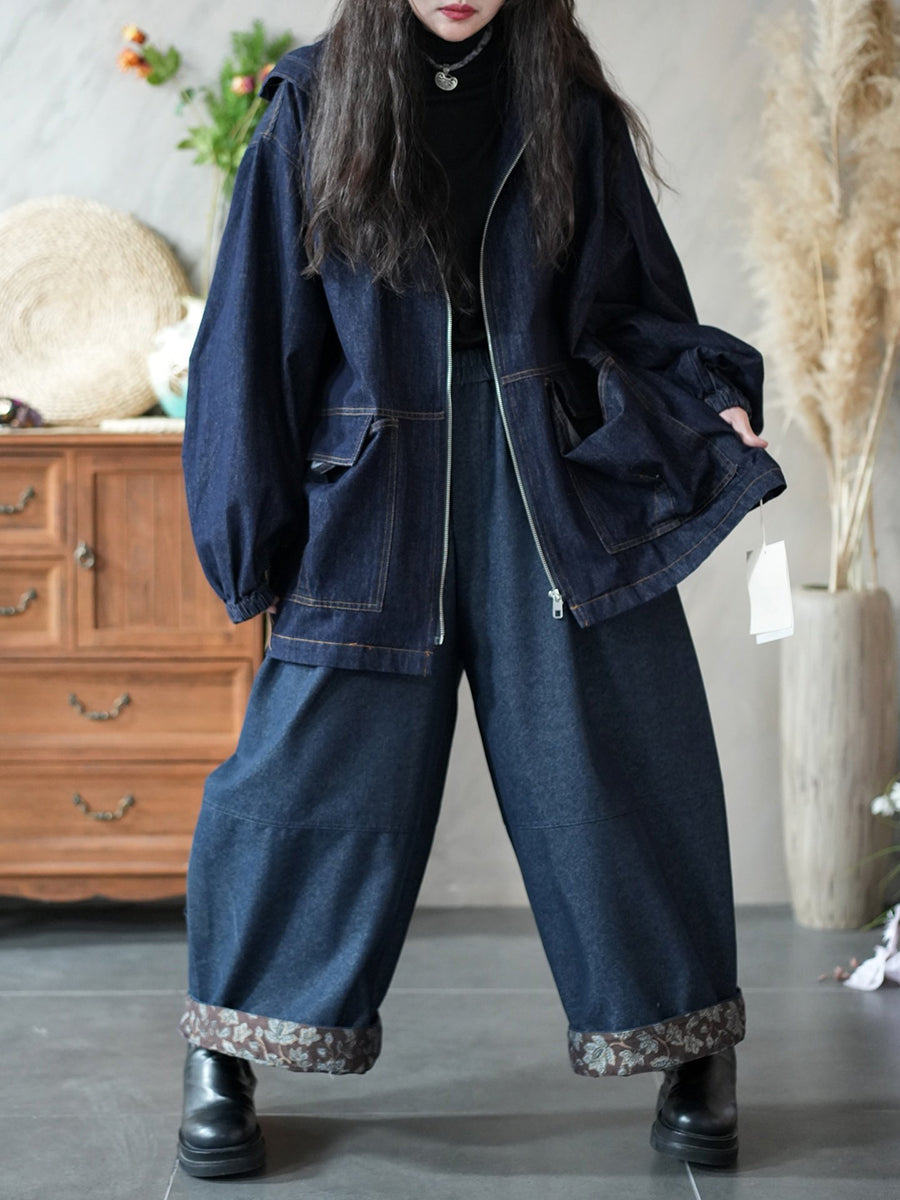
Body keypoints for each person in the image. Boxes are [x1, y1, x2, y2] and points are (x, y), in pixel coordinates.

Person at [176, 0, 786, 1180]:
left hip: (548, 477)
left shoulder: (569, 104)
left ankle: (692, 1045)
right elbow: (253, 334)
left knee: (622, 750)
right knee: (308, 771)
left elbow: (633, 302)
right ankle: (226, 1049)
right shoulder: (310, 101)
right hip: (371, 487)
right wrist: (249, 529)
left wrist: (702, 396)